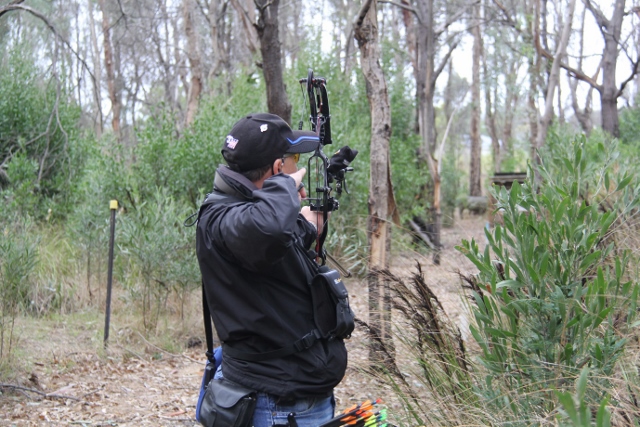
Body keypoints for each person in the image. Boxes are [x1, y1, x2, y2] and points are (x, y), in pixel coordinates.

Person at [195, 113, 348, 427]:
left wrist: (307, 225)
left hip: (290, 398)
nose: (297, 171)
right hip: (276, 405)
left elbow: (270, 251)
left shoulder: (246, 216)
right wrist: (286, 186)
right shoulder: (226, 217)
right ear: (278, 168)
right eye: (294, 160)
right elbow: (266, 231)